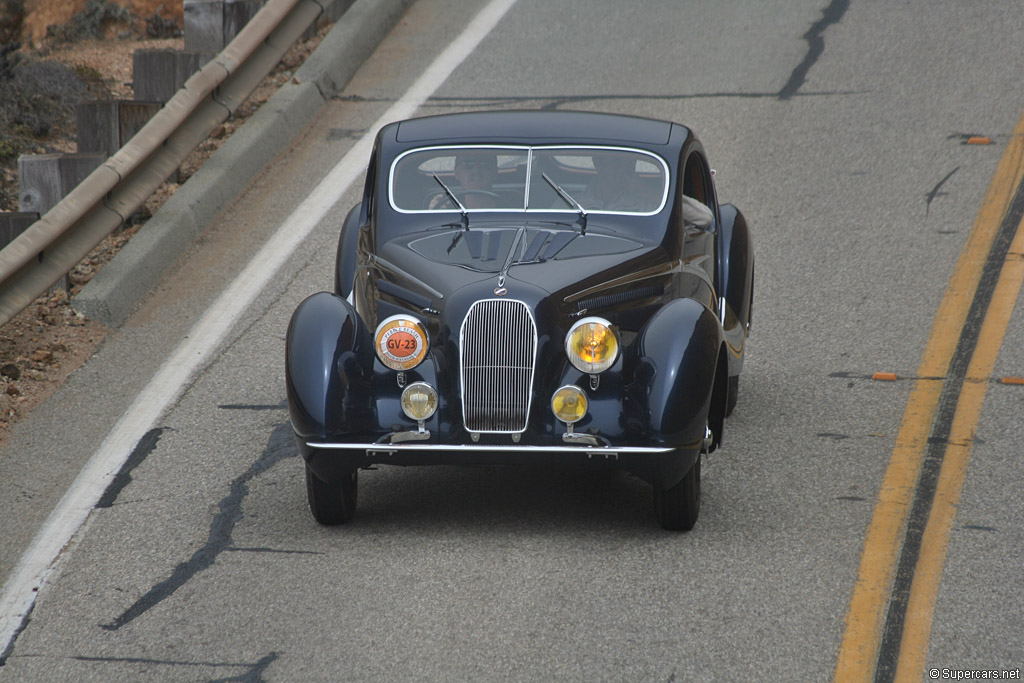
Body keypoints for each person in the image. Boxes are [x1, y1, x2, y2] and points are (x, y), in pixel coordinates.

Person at [429, 150, 500, 209]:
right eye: (468, 164)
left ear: (495, 171)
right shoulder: (447, 209)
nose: (476, 171)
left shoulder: (509, 211)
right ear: (457, 172)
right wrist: (434, 214)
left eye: (484, 164)